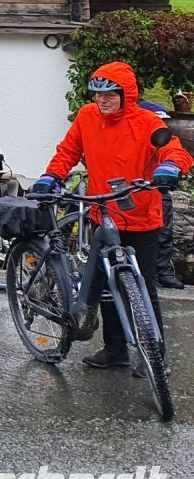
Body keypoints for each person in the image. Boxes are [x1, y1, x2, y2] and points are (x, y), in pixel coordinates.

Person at [29, 63, 191, 370]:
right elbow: (68, 152)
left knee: (143, 288)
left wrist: (170, 168)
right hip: (102, 211)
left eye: (110, 95)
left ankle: (154, 356)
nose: (102, 101)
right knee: (105, 285)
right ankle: (115, 349)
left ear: (125, 95)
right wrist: (50, 176)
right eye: (97, 94)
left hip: (142, 215)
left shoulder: (147, 122)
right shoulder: (87, 117)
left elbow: (174, 149)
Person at [138, 98, 187, 290]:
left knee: (164, 231)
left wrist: (171, 167)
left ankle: (163, 270)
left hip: (156, 187)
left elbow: (177, 152)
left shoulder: (162, 137)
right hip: (128, 189)